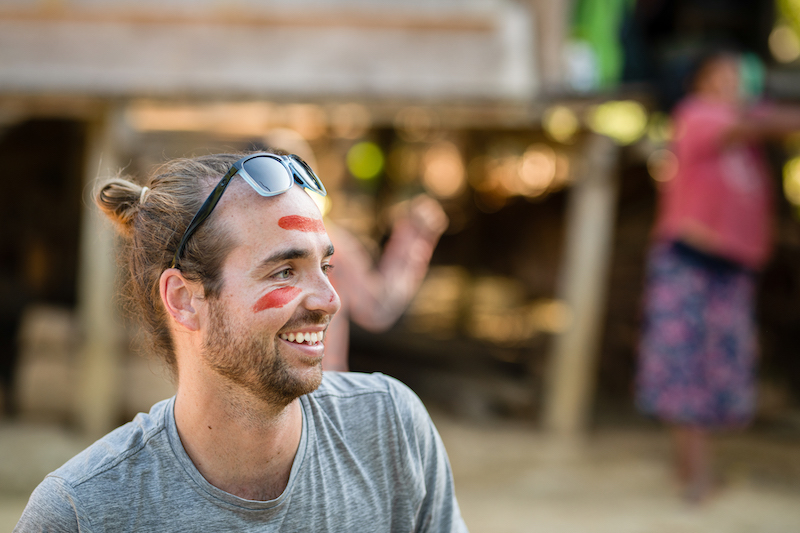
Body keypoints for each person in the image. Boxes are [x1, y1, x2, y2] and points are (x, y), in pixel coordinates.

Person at [15, 152, 468, 532]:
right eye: (284, 271)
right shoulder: (80, 513)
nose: (330, 300)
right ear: (184, 300)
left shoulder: (391, 429)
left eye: (325, 267)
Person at [636, 51, 800, 503]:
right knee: (688, 371)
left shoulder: (745, 132)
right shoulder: (697, 116)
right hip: (690, 263)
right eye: (722, 74)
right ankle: (694, 477)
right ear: (700, 81)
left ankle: (694, 471)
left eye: (738, 76)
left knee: (718, 373)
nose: (732, 82)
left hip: (730, 269)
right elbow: (771, 121)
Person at [324, 194, 448, 371]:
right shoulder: (326, 241)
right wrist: (414, 236)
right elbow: (377, 308)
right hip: (317, 389)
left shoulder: (327, 242)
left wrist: (412, 237)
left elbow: (377, 307)